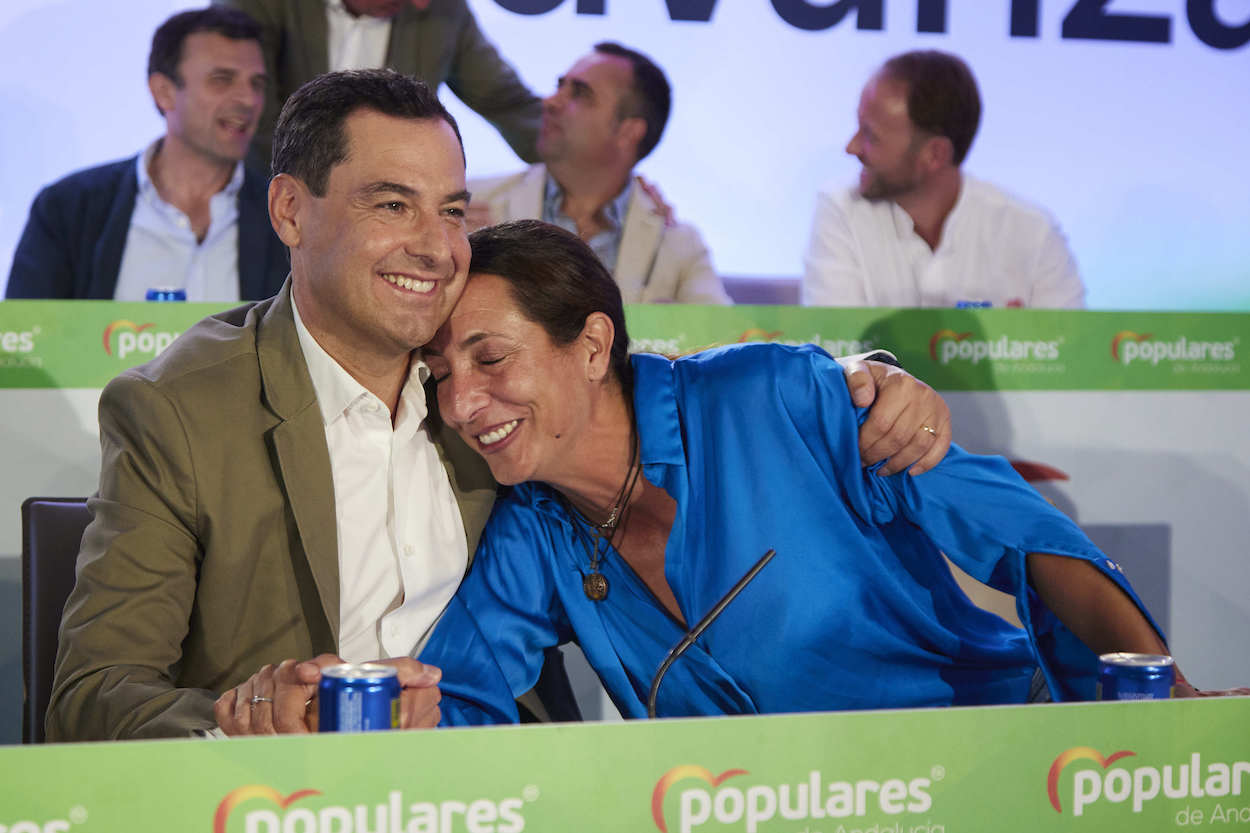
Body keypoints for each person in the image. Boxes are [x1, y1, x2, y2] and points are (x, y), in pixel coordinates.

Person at [48, 69, 948, 741]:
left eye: (449, 210)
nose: (434, 247)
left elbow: (627, 372)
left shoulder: (491, 395)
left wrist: (857, 381)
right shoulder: (179, 410)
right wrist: (241, 716)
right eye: (390, 204)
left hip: (506, 789)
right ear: (289, 210)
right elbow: (91, 693)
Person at [415, 219, 1197, 724]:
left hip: (985, 766)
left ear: (591, 345)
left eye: (489, 358)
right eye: (439, 373)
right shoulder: (532, 532)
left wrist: (1173, 704)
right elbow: (453, 694)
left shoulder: (770, 394)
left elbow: (1017, 529)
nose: (461, 402)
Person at [6, 7, 288, 302]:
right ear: (163, 92)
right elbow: (27, 340)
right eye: (222, 79)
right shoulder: (66, 209)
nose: (248, 99)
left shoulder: (286, 218)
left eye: (257, 84)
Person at [801, 50, 1086, 310]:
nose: (851, 147)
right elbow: (834, 356)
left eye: (870, 136)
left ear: (935, 155)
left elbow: (1070, 353)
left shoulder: (1033, 233)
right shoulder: (840, 210)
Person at [467, 42, 729, 305]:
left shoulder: (680, 246)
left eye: (580, 93)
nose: (549, 101)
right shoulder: (466, 205)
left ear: (628, 132)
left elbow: (729, 339)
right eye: (560, 86)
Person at [213, 0, 541, 171]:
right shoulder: (258, 4)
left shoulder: (444, 10)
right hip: (264, 218)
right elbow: (246, 118)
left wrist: (576, 150)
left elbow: (507, 103)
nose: (422, 4)